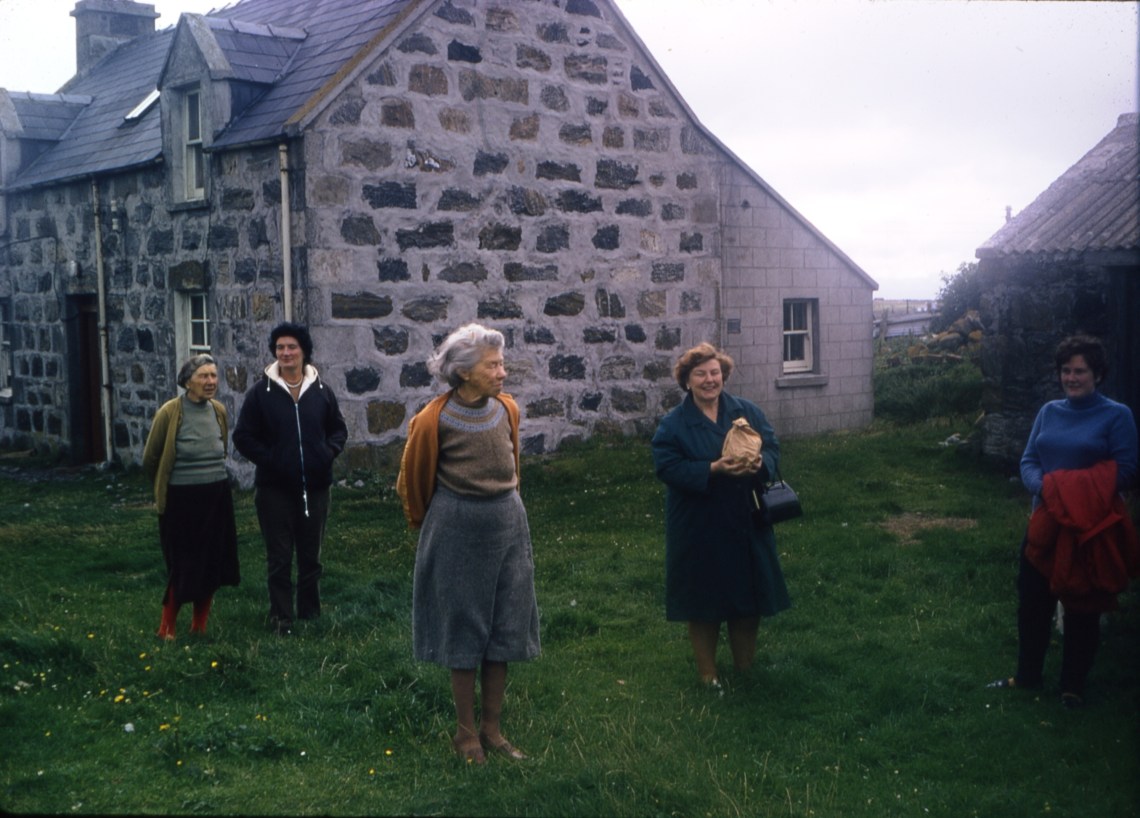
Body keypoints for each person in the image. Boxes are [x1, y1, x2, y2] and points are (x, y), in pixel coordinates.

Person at [396, 323, 540, 764]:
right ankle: (465, 735)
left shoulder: (507, 409)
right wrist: (427, 522)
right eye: (492, 365)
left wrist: (509, 504)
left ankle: (492, 730)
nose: (502, 372)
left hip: (508, 526)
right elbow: (413, 481)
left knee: (504, 628)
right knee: (464, 630)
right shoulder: (432, 419)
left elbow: (512, 463)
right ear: (464, 373)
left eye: (501, 363)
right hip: (457, 528)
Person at [988, 334, 1138, 708]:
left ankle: (1072, 686)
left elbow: (1127, 469)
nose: (1072, 378)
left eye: (1080, 371)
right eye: (1066, 371)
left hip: (1089, 527)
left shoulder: (1117, 416)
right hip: (1046, 521)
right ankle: (1027, 677)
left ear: (1098, 375)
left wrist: (1074, 494)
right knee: (1033, 599)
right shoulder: (1048, 412)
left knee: (1082, 605)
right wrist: (1049, 491)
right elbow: (1028, 460)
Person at [651, 342, 791, 690]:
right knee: (703, 600)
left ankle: (746, 668)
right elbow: (667, 466)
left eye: (715, 373)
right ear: (687, 381)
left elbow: (771, 445)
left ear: (723, 376)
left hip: (745, 519)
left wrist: (762, 464)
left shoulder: (746, 411)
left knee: (747, 596)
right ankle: (707, 674)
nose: (709, 380)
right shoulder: (673, 425)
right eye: (700, 374)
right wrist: (711, 469)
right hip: (699, 523)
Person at [233, 322, 348, 635]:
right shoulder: (261, 394)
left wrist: (326, 453)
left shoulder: (322, 392)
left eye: (292, 347)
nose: (286, 353)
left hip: (316, 486)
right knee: (280, 558)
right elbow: (243, 436)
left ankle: (310, 613)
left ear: (304, 352)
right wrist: (273, 460)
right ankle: (281, 618)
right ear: (275, 353)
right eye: (280, 347)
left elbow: (338, 429)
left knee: (312, 558)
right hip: (275, 489)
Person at [142, 354, 240, 640]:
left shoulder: (218, 410)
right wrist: (167, 485)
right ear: (188, 382)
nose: (211, 382)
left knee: (212, 562)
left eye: (213, 376)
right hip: (181, 500)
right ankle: (167, 628)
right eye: (204, 376)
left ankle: (199, 626)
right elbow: (151, 458)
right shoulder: (170, 412)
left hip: (216, 495)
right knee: (183, 564)